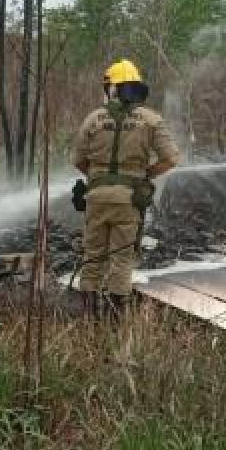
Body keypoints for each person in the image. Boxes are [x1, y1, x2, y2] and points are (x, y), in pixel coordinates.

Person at [69, 59, 180, 317]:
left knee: (93, 256)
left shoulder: (94, 119)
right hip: (129, 201)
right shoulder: (151, 120)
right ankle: (116, 320)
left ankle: (89, 317)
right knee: (122, 259)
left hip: (96, 199)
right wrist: (144, 175)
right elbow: (172, 158)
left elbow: (77, 159)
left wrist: (98, 177)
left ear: (112, 88)